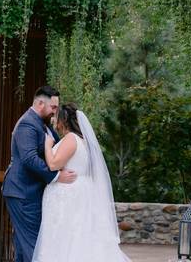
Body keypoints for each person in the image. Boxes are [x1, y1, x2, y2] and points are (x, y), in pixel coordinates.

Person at [32, 103, 131, 262]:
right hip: (78, 193)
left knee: (67, 238)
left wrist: (47, 146)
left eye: (56, 117)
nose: (53, 121)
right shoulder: (82, 141)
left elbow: (53, 164)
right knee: (77, 236)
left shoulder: (71, 139)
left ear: (63, 120)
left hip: (68, 196)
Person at [2, 86, 78, 262]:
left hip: (29, 192)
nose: (55, 112)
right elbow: (29, 159)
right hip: (22, 192)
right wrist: (57, 176)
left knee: (24, 244)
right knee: (34, 244)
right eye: (53, 107)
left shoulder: (43, 125)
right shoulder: (27, 124)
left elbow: (59, 148)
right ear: (40, 103)